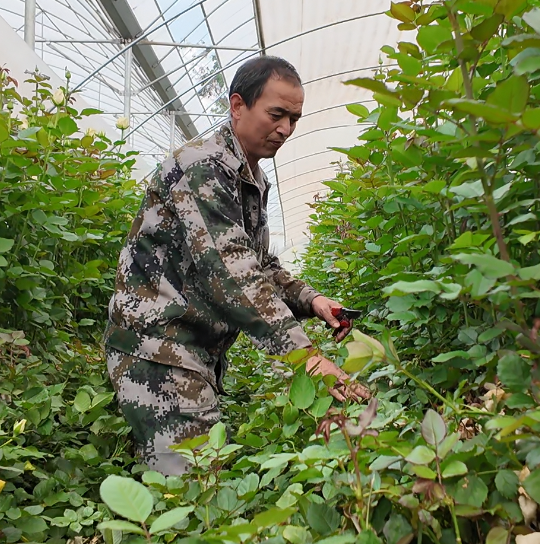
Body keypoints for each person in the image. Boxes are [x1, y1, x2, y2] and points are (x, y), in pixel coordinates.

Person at [103, 56, 368, 476]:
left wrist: (313, 301)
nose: (285, 129)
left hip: (187, 352)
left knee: (190, 483)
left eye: (294, 119)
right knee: (194, 485)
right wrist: (308, 359)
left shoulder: (249, 178)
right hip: (157, 349)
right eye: (276, 114)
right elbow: (234, 274)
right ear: (238, 105)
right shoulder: (203, 168)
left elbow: (260, 264)